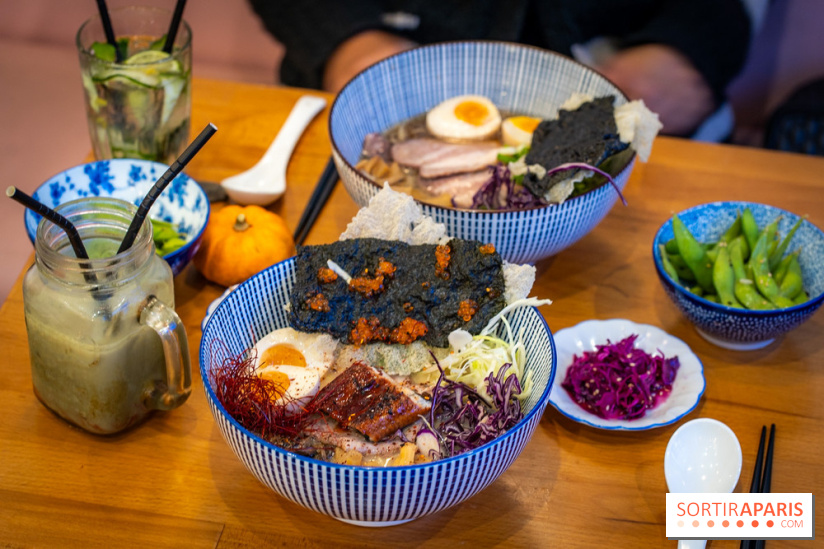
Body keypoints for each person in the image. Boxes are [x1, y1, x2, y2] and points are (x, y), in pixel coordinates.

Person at [248, 0, 757, 138]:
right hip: (378, 83)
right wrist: (346, 42)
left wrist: (689, 48)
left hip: (621, 80)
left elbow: (718, 12)